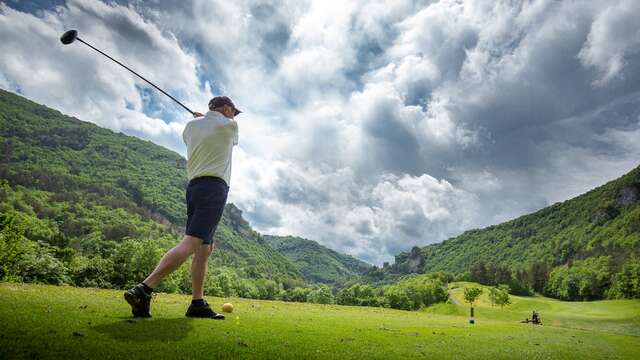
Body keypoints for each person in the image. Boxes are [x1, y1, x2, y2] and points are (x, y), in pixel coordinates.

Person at [124, 96, 241, 319]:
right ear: (227, 109)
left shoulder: (190, 127)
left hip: (194, 188)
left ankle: (197, 303)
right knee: (192, 243)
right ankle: (144, 288)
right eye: (233, 112)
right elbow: (227, 134)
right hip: (214, 188)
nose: (234, 116)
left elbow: (204, 131)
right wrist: (212, 120)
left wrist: (202, 119)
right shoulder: (230, 126)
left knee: (205, 248)